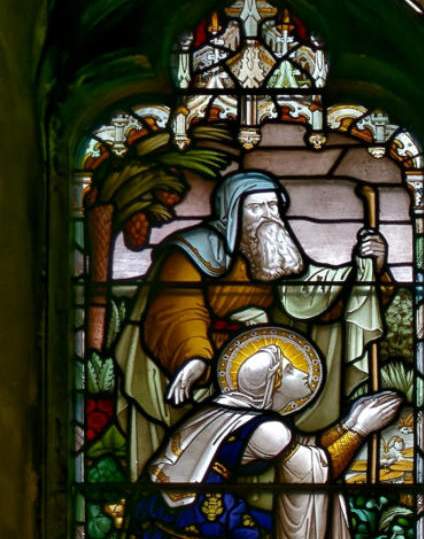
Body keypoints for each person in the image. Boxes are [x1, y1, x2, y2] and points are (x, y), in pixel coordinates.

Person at [91, 329, 401, 539]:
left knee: (281, 535)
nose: (303, 375)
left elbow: (310, 458)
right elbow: (315, 467)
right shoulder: (268, 430)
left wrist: (348, 425)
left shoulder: (218, 412)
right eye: (291, 371)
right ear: (270, 386)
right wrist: (359, 429)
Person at [115, 168, 388, 476]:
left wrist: (368, 269)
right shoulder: (191, 251)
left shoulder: (276, 252)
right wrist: (194, 358)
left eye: (273, 206)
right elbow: (176, 310)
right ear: (231, 212)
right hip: (202, 373)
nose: (268, 215)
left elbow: (317, 301)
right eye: (256, 208)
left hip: (265, 379)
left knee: (270, 450)